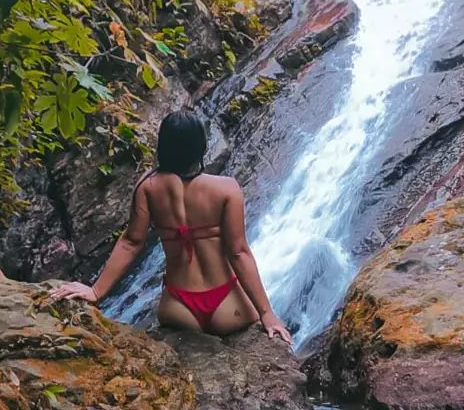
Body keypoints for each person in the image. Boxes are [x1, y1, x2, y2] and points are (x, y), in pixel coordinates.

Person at [50, 110, 293, 344]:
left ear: (162, 147)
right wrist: (267, 314)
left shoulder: (148, 187)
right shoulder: (226, 188)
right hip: (228, 307)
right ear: (201, 147)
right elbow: (238, 252)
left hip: (179, 308)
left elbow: (131, 243)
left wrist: (95, 291)